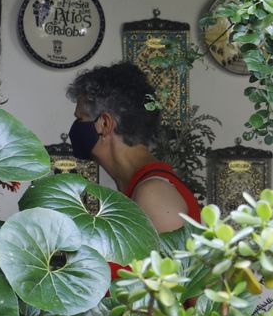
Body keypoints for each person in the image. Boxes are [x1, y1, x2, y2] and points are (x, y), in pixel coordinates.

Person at [66, 63, 200, 233]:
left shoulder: (153, 194)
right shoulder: (135, 188)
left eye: (80, 118)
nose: (76, 126)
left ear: (104, 124)